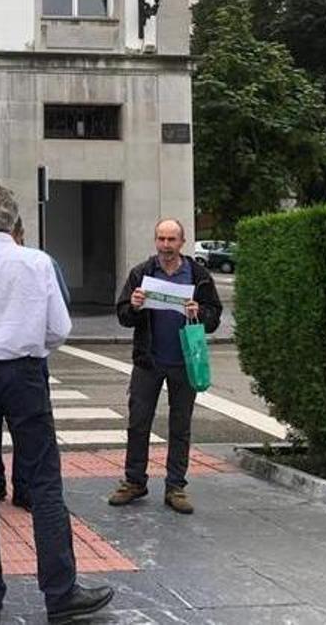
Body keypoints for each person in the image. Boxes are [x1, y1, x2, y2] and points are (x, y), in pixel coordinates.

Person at [0, 185, 114, 624]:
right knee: (44, 481)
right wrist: (25, 342)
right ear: (12, 222)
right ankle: (60, 591)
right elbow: (59, 328)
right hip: (26, 373)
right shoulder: (37, 261)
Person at [108, 219, 223, 515]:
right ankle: (134, 481)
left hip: (185, 361)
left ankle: (175, 486)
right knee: (138, 423)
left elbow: (214, 317)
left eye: (172, 239)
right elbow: (122, 315)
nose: (166, 245)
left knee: (180, 425)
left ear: (182, 242)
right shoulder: (142, 273)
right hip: (149, 360)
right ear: (155, 241)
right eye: (161, 239)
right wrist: (133, 305)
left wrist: (201, 313)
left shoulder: (197, 275)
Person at [0, 218, 71, 510]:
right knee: (31, 432)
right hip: (29, 359)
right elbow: (61, 309)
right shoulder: (42, 262)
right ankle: (25, 489)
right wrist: (41, 344)